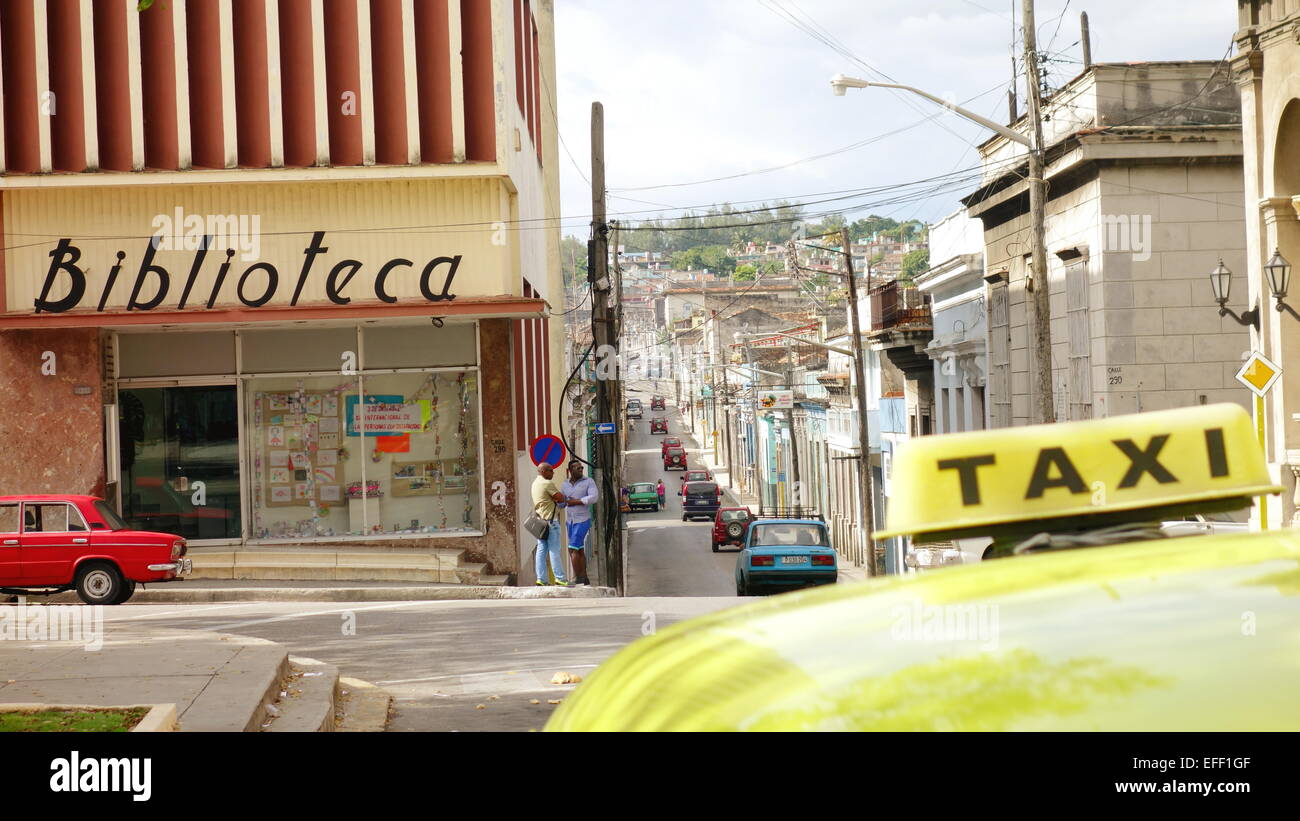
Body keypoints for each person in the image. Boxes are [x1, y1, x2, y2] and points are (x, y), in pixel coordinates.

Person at [560, 459, 599, 586]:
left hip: (582, 520)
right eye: (577, 468)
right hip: (570, 521)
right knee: (579, 549)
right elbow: (562, 502)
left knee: (572, 549)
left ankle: (578, 579)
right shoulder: (565, 484)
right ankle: (584, 577)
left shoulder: (589, 481)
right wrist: (560, 501)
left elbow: (594, 497)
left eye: (581, 467)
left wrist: (576, 501)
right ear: (570, 470)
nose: (581, 470)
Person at [531, 462, 570, 587]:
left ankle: (541, 579)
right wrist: (558, 498)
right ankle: (560, 578)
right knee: (554, 549)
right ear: (543, 471)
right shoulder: (547, 483)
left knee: (541, 550)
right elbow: (561, 497)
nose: (553, 473)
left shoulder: (535, 483)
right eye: (550, 470)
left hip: (541, 522)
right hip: (551, 521)